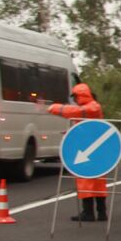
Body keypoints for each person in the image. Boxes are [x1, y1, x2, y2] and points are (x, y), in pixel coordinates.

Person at [48, 83, 108, 222]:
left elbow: (76, 112)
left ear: (80, 95)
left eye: (75, 97)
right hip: (93, 148)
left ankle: (90, 213)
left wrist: (54, 108)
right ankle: (99, 212)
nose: (74, 100)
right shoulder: (91, 107)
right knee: (95, 181)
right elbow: (84, 127)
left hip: (90, 149)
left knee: (87, 180)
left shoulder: (93, 106)